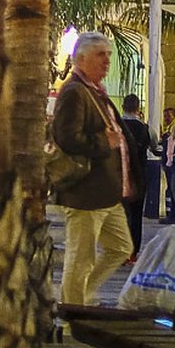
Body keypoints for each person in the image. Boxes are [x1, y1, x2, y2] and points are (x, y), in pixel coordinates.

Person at [50, 32, 136, 309]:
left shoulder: (95, 92)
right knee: (80, 258)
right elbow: (66, 137)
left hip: (106, 193)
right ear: (81, 59)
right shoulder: (75, 92)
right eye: (101, 55)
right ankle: (73, 313)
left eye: (108, 55)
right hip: (86, 192)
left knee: (121, 247)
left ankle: (80, 295)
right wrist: (103, 142)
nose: (107, 61)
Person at [118, 93, 153, 254]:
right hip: (138, 175)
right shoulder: (144, 128)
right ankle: (133, 250)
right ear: (138, 108)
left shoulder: (117, 126)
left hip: (119, 175)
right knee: (137, 213)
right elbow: (154, 145)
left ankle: (121, 248)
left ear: (123, 107)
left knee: (120, 214)